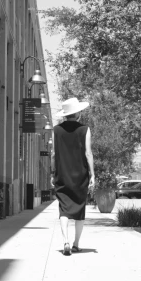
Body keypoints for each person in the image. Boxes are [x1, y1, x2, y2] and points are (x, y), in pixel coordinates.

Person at [51, 97, 95, 256]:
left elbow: (54, 154)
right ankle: (76, 244)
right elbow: (88, 154)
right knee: (79, 209)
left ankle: (66, 242)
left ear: (65, 114)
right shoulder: (85, 129)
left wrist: (52, 172)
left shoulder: (56, 130)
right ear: (77, 114)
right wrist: (92, 175)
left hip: (62, 174)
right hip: (80, 176)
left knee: (63, 209)